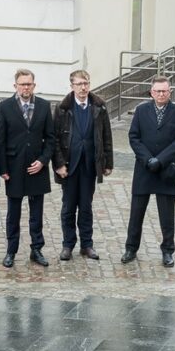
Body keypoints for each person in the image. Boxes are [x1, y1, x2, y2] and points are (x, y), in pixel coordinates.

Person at [122, 76, 175, 267]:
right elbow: (134, 137)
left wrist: (160, 160)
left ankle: (168, 250)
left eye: (164, 91)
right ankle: (131, 248)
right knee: (136, 213)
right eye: (157, 91)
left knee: (167, 216)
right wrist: (147, 159)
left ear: (170, 92)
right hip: (144, 168)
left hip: (166, 170)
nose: (161, 94)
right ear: (151, 92)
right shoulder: (142, 111)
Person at [0, 68, 55, 268]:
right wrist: (2, 168)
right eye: (22, 84)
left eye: (29, 84)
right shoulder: (4, 107)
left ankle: (36, 249)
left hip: (37, 167)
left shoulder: (44, 106)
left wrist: (43, 161)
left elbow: (51, 139)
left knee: (36, 212)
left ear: (34, 85)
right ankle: (11, 250)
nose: (26, 87)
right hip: (14, 167)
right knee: (14, 212)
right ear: (15, 86)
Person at [53, 69, 114, 261]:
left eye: (86, 83)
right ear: (72, 86)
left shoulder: (99, 107)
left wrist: (107, 162)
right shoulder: (63, 108)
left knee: (86, 206)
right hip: (70, 165)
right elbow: (54, 139)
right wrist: (59, 164)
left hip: (89, 164)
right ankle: (68, 244)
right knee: (69, 206)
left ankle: (87, 244)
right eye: (79, 84)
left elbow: (106, 136)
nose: (83, 87)